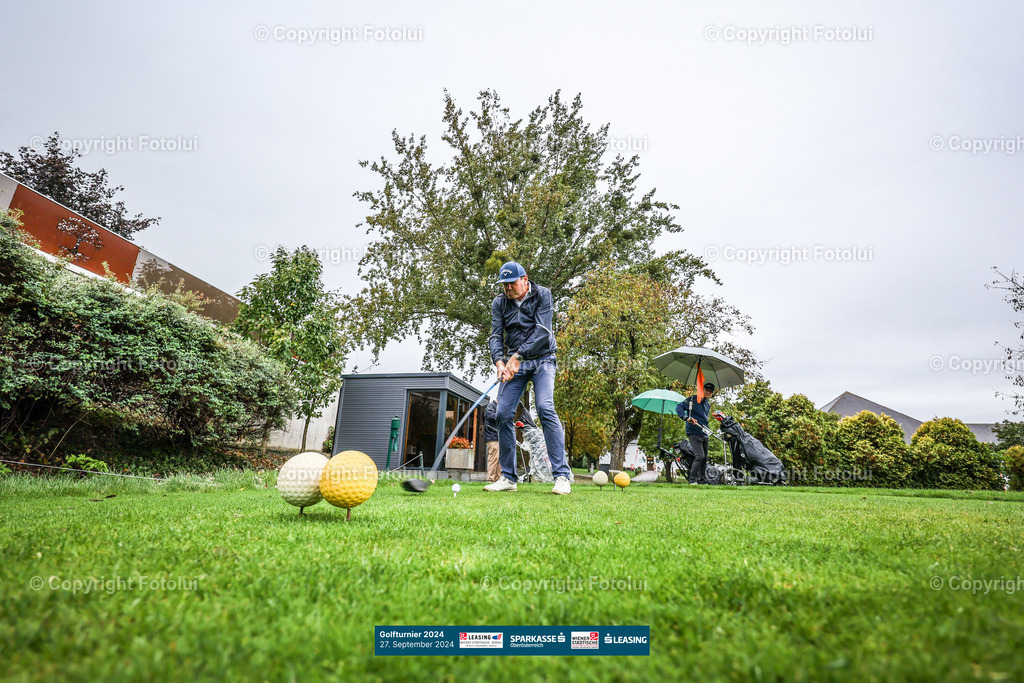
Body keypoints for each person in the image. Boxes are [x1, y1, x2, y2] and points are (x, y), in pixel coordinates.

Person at [482, 261, 572, 495]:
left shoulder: (543, 294)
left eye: (511, 284)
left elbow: (543, 332)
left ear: (524, 279)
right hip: (515, 364)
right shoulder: (499, 302)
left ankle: (561, 476)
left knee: (544, 407)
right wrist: (499, 362)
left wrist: (517, 356)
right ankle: (509, 478)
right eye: (504, 285)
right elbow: (495, 335)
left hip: (543, 359)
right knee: (502, 413)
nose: (507, 289)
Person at [676, 382, 717, 485]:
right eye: (706, 390)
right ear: (702, 390)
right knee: (700, 456)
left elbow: (704, 419)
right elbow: (679, 407)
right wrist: (686, 418)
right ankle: (692, 480)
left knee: (704, 459)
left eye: (710, 391)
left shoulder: (707, 404)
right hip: (693, 431)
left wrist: (708, 429)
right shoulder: (692, 400)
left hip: (704, 432)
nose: (708, 392)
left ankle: (702, 480)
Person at [483, 400, 500, 482]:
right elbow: (491, 416)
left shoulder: (498, 407)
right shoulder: (491, 406)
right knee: (494, 458)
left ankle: (499, 479)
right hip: (493, 437)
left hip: (499, 437)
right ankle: (491, 479)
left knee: (500, 459)